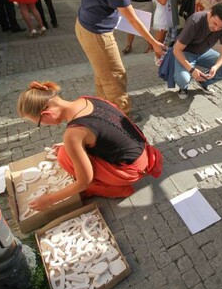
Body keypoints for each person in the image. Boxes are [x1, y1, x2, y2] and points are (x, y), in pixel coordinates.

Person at [17, 81, 163, 210]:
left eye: (39, 123)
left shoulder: (73, 134)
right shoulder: (86, 100)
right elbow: (102, 131)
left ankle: (111, 189)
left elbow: (84, 181)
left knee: (64, 156)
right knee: (66, 150)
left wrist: (49, 200)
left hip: (132, 171)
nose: (43, 125)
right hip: (145, 154)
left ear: (47, 114)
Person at [76, 0, 165, 120]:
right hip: (96, 34)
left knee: (103, 75)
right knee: (115, 76)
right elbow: (132, 18)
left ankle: (104, 111)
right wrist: (154, 42)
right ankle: (122, 120)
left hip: (85, 25)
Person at [173, 2, 222, 99]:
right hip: (186, 52)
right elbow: (177, 50)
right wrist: (192, 70)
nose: (216, 28)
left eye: (221, 27)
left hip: (204, 51)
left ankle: (203, 81)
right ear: (210, 13)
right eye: (215, 23)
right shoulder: (195, 21)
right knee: (184, 79)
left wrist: (215, 67)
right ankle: (183, 87)